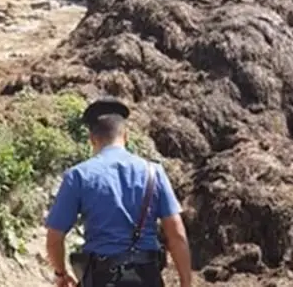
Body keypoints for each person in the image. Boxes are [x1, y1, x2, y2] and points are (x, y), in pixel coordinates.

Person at [45, 97, 192, 287]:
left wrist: (61, 273)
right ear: (125, 135)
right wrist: (186, 283)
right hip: (147, 277)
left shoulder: (78, 176)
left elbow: (54, 238)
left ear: (91, 138)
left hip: (100, 278)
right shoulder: (154, 172)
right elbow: (177, 235)